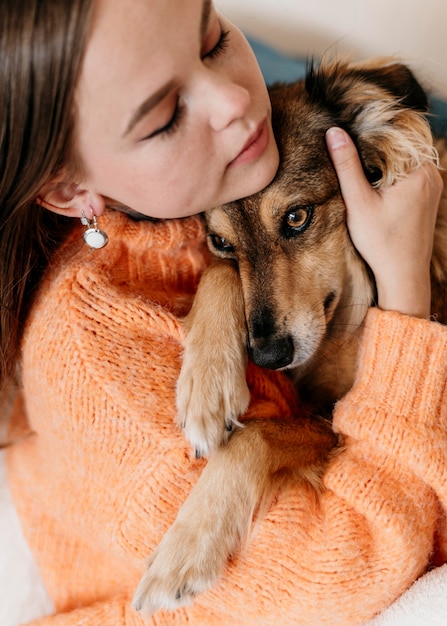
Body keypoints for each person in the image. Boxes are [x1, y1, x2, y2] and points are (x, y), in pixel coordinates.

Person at [0, 0, 446, 624]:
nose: (236, 99)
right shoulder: (100, 360)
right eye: (162, 116)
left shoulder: (209, 173)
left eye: (211, 40)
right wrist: (405, 299)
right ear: (74, 190)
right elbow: (342, 571)